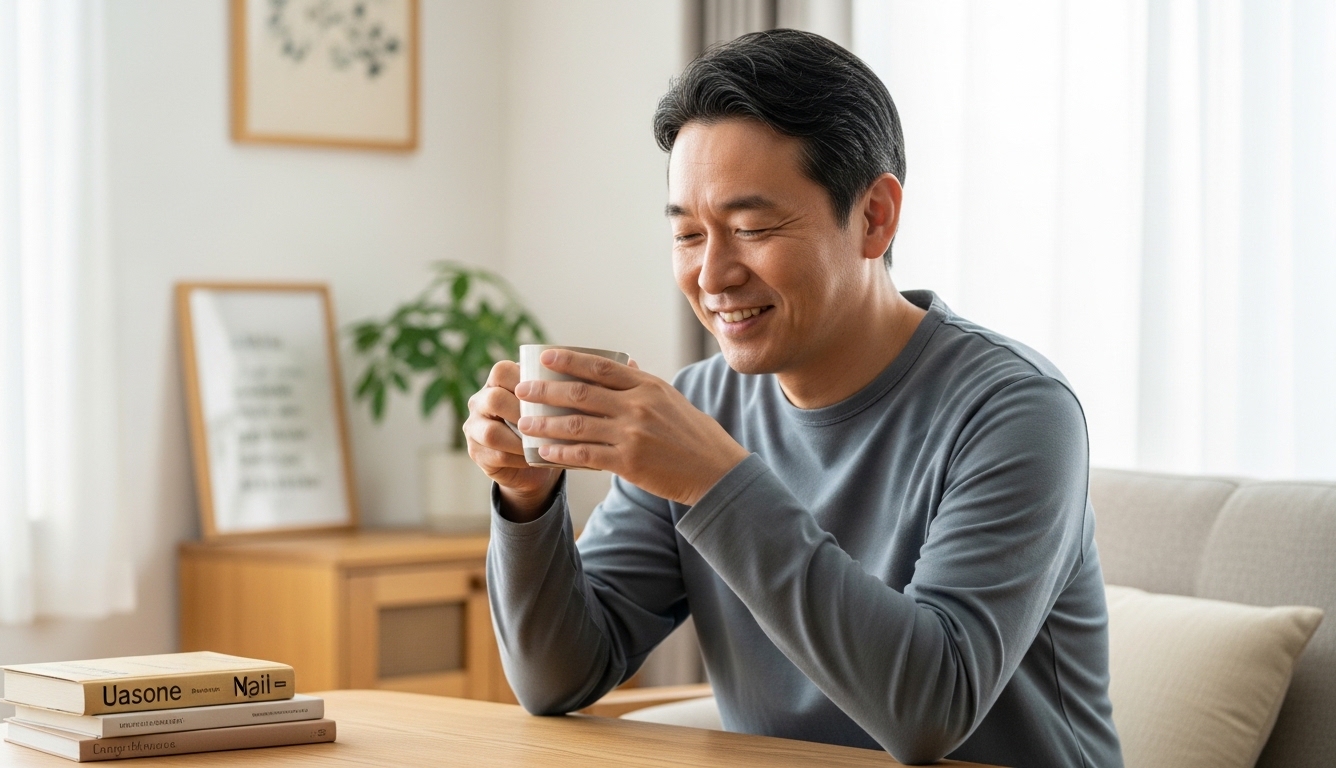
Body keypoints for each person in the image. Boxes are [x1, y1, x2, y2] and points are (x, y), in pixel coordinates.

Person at [463, 28, 1122, 768]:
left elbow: (930, 709)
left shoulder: (1017, 411)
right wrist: (527, 501)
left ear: (874, 217)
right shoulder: (701, 405)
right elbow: (559, 678)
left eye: (750, 228)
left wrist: (715, 481)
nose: (712, 275)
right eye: (687, 235)